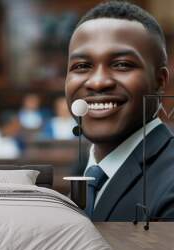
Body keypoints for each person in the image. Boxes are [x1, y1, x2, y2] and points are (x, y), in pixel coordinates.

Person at [65, 1, 174, 221]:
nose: (97, 82)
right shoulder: (85, 171)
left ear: (160, 81)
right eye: (82, 66)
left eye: (122, 64)